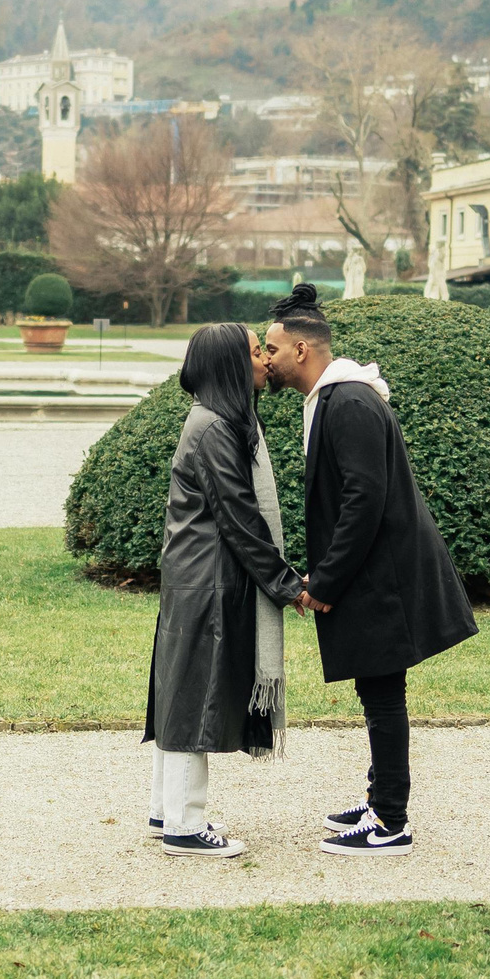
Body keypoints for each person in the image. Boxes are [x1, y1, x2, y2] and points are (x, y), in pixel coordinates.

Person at [263, 283, 477, 854]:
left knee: (383, 693)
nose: (268, 360)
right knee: (377, 687)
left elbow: (364, 498)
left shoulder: (349, 402)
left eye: (273, 349)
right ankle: (382, 795)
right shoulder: (338, 399)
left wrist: (327, 581)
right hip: (375, 573)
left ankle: (390, 821)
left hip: (382, 579)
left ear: (302, 351)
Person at [143, 323, 304, 857]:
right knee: (198, 696)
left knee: (180, 689)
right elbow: (240, 521)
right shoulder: (216, 429)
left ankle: (166, 808)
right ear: (233, 366)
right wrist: (286, 585)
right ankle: (185, 827)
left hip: (192, 576)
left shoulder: (211, 421)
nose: (265, 361)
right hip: (209, 580)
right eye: (257, 353)